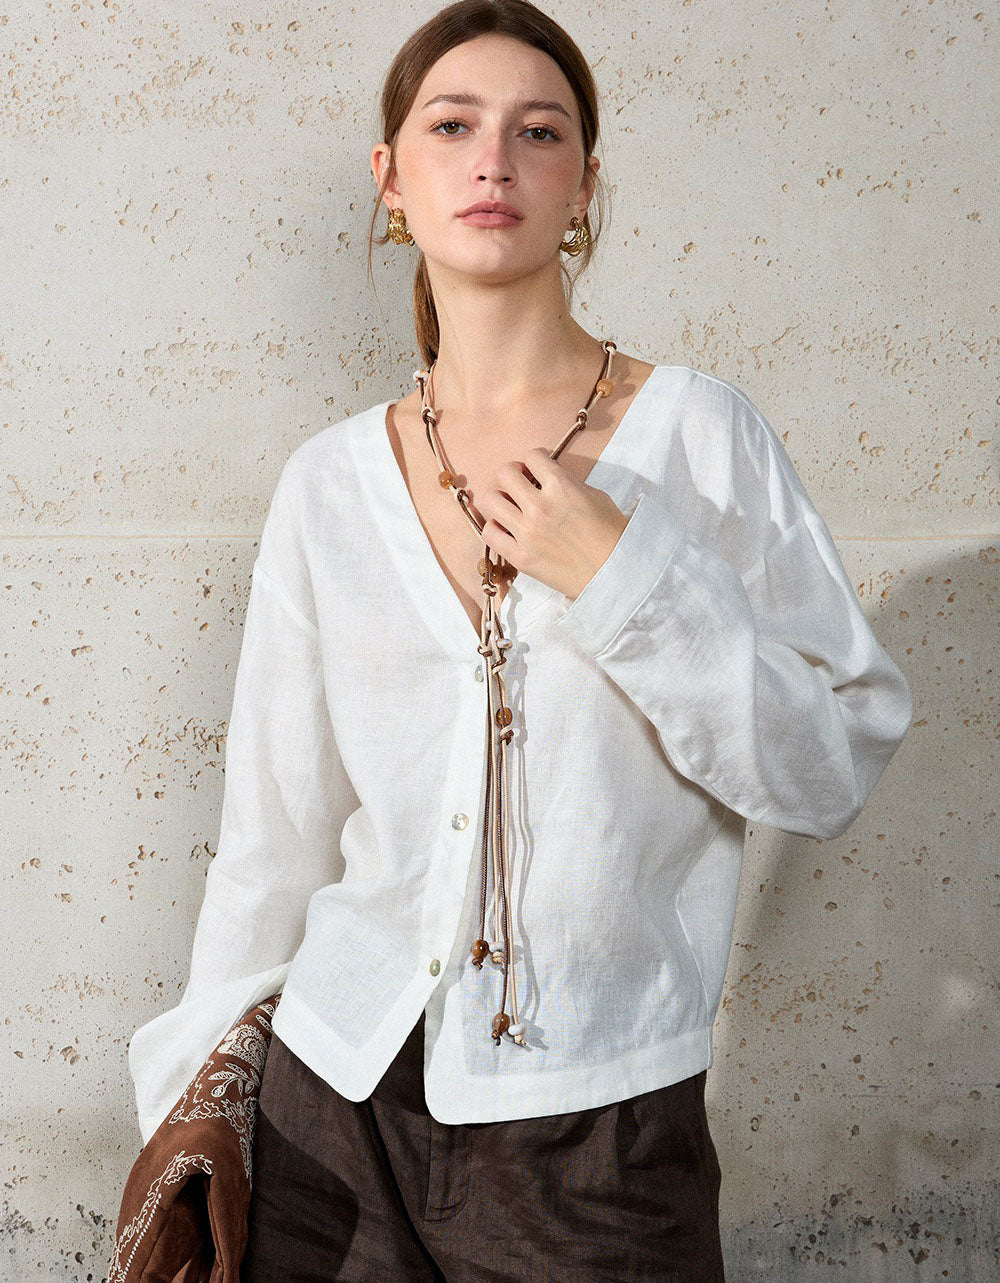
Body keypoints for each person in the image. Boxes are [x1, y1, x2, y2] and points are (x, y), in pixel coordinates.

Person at [126, 2, 913, 1279]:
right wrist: (190, 1095)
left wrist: (629, 580)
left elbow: (830, 765)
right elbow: (272, 840)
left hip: (600, 1130)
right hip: (332, 1110)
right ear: (392, 177)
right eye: (451, 125)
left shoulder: (702, 440)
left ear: (582, 185)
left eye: (537, 131)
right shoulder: (328, 483)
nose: (492, 160)